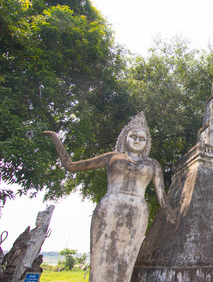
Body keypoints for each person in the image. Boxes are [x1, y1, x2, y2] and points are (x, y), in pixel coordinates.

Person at [42, 112, 176, 282]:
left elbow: (162, 199)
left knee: (127, 260)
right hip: (109, 208)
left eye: (141, 139)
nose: (136, 141)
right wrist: (56, 139)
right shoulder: (113, 157)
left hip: (138, 211)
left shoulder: (152, 164)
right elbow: (71, 166)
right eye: (133, 136)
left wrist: (174, 217)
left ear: (146, 143)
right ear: (124, 137)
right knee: (101, 258)